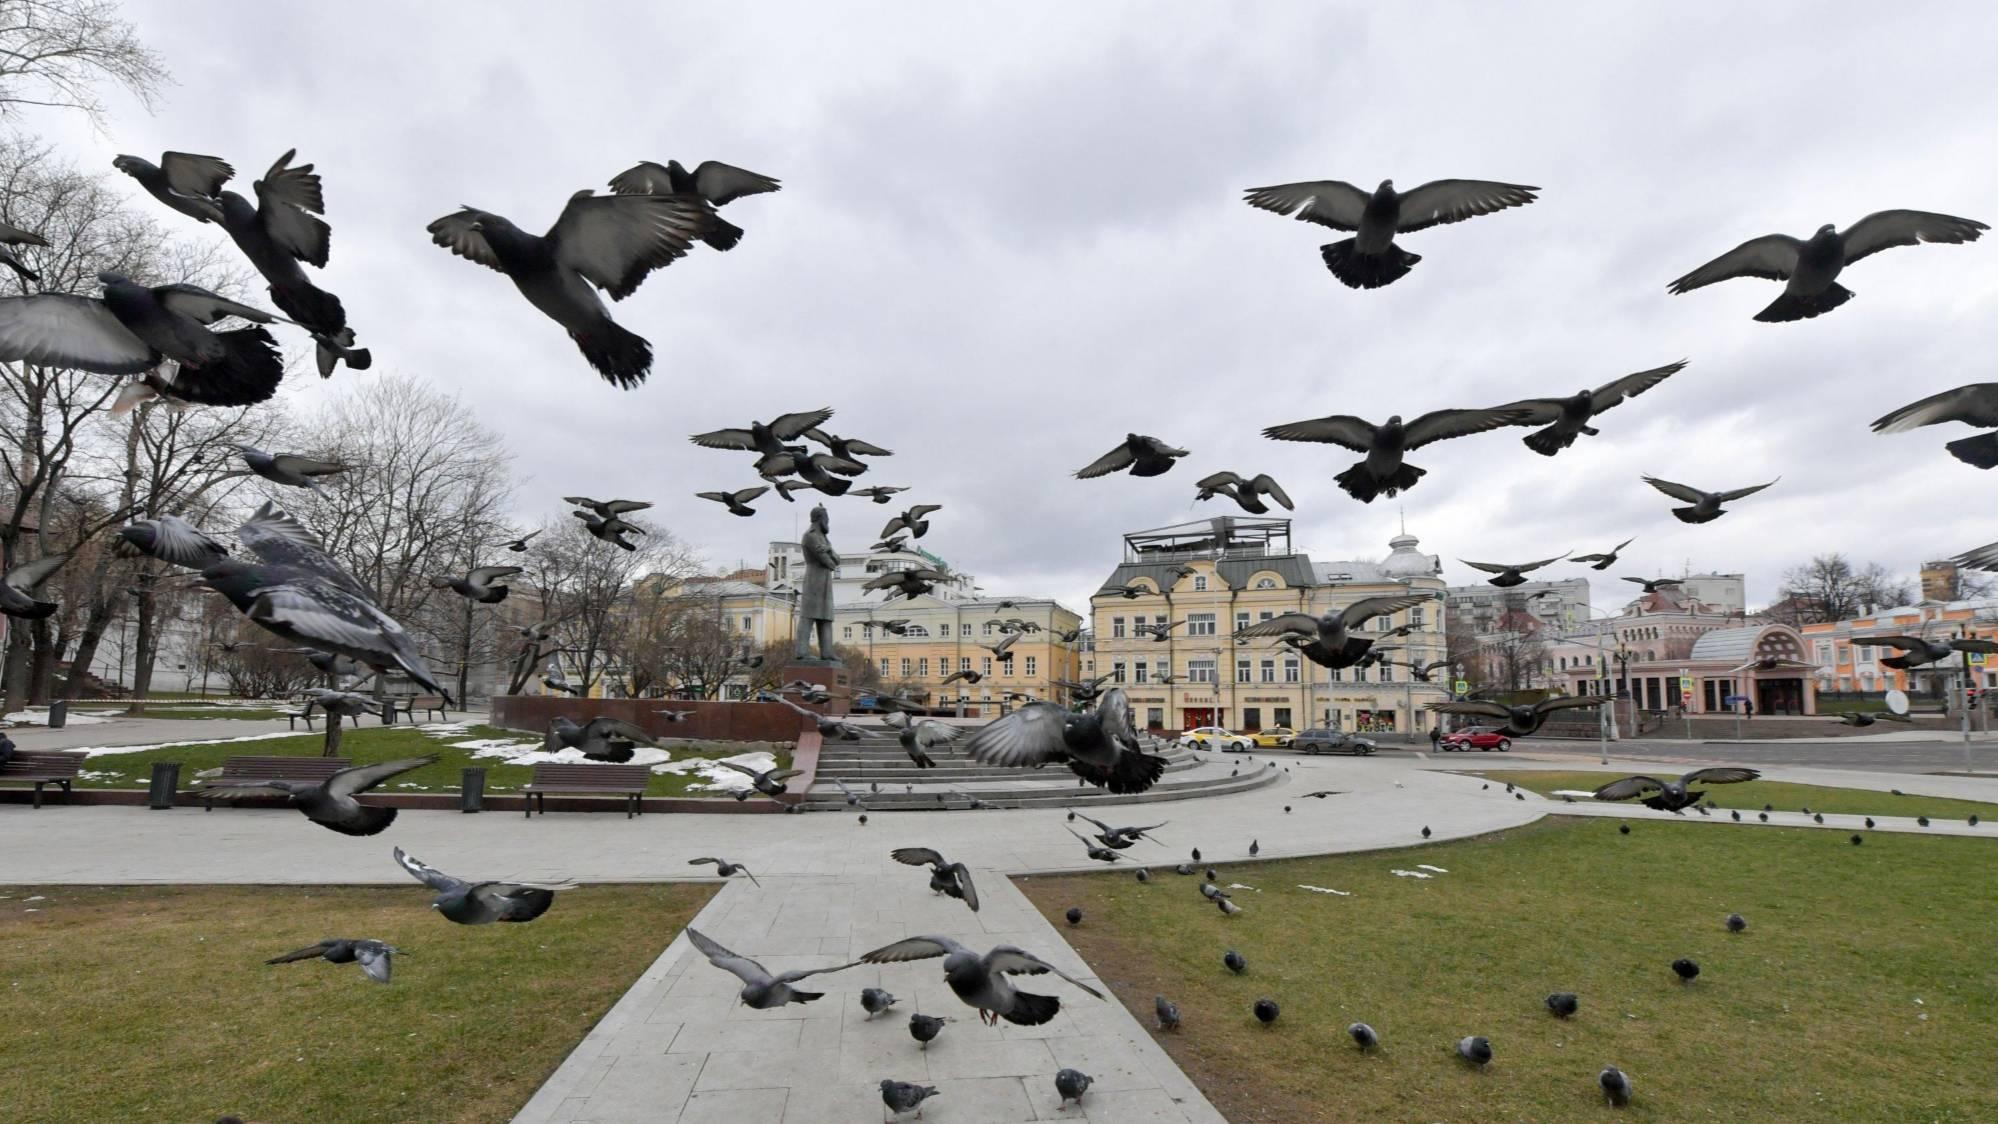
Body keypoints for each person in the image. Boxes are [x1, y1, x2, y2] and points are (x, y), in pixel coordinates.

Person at [794, 504, 839, 662]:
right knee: (808, 616)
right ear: (820, 519)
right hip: (814, 579)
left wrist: (828, 549)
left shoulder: (824, 538)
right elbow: (830, 563)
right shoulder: (810, 536)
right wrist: (829, 554)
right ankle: (801, 651)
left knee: (826, 617)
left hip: (825, 580)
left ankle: (827, 652)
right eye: (827, 519)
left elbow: (837, 559)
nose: (828, 522)